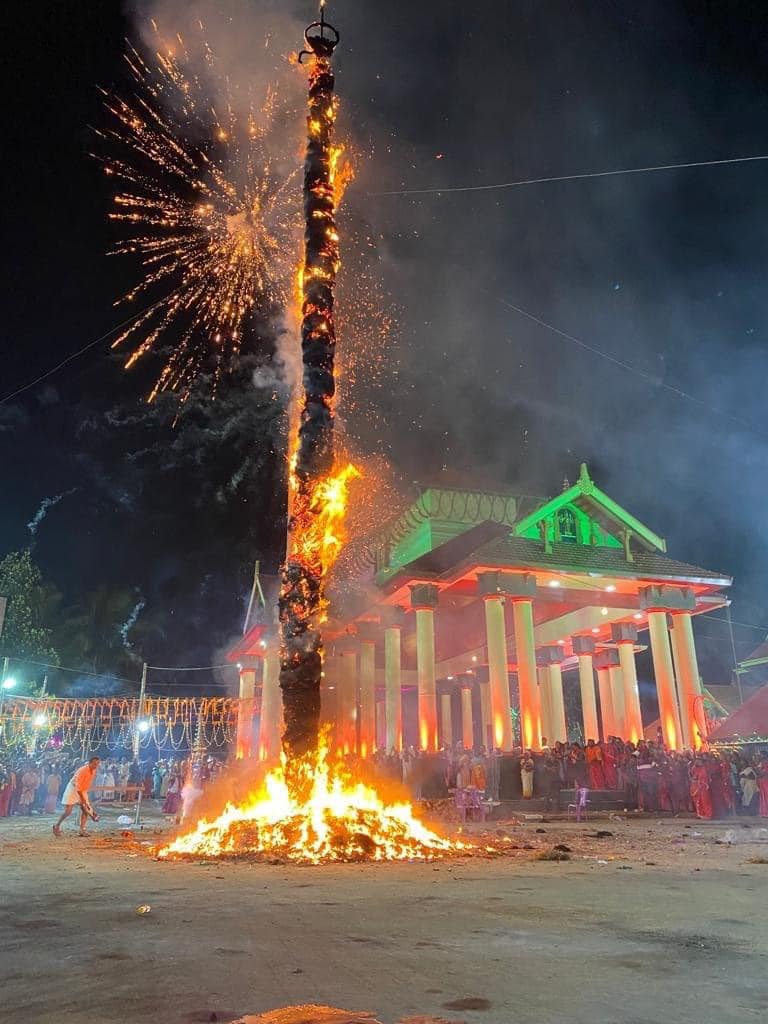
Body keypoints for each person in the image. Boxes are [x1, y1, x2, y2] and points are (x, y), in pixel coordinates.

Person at [53, 757, 101, 837]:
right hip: (73, 789)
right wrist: (83, 800)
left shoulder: (93, 770)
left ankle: (82, 830)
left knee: (86, 810)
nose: (96, 765)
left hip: (82, 790)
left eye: (98, 764)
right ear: (90, 763)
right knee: (68, 811)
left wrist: (91, 812)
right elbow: (78, 787)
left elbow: (86, 784)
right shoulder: (83, 770)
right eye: (95, 763)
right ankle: (56, 826)